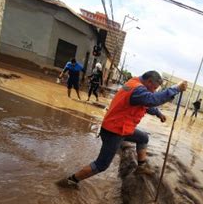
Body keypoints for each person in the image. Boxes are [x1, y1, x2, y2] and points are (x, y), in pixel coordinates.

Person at [56, 70, 187, 188]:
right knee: (102, 165)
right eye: (154, 88)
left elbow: (145, 104)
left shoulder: (134, 84)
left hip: (120, 128)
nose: (153, 91)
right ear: (149, 81)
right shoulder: (137, 89)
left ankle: (141, 167)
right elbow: (151, 100)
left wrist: (158, 114)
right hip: (115, 131)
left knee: (143, 137)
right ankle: (70, 181)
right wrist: (175, 88)